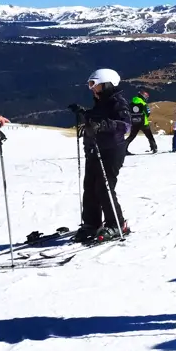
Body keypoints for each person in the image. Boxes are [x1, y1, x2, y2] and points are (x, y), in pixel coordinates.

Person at [67, 69, 132, 243]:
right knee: (90, 186)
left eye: (94, 85)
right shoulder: (101, 101)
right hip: (95, 149)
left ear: (107, 84)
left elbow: (125, 126)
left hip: (111, 150)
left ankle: (117, 224)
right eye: (90, 85)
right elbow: (97, 117)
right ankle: (91, 223)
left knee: (104, 187)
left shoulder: (117, 102)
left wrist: (102, 125)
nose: (91, 89)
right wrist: (83, 113)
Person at [125, 90, 157, 154]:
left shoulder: (131, 103)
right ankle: (154, 148)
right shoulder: (143, 103)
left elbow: (127, 112)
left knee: (131, 136)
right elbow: (148, 113)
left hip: (134, 123)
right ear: (143, 96)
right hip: (143, 123)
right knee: (149, 136)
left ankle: (123, 149)